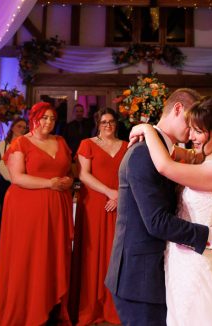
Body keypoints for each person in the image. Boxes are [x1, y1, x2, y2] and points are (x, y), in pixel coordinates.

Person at [105, 88, 212, 326]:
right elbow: (156, 221)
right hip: (140, 279)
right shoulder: (143, 152)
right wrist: (209, 235)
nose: (192, 131)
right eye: (191, 124)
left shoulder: (162, 150)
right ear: (178, 109)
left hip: (156, 274)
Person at [129, 95, 212, 325]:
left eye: (198, 131)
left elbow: (165, 166)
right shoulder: (207, 162)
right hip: (181, 262)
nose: (191, 136)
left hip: (198, 264)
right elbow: (180, 154)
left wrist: (147, 128)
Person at [0, 102, 74, 326]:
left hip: (57, 206)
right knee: (30, 258)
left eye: (52, 118)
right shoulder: (21, 142)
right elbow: (17, 177)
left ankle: (51, 307)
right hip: (27, 208)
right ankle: (30, 310)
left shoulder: (60, 141)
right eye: (44, 118)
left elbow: (69, 171)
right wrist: (50, 183)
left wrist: (69, 181)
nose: (48, 122)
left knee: (53, 256)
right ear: (34, 118)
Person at [70, 107, 127, 325]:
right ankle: (92, 305)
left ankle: (113, 305)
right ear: (98, 124)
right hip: (95, 204)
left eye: (111, 121)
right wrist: (109, 192)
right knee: (93, 253)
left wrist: (119, 195)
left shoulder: (126, 146)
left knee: (115, 252)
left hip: (120, 204)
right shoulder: (87, 144)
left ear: (116, 123)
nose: (108, 125)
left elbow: (131, 175)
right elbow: (83, 174)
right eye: (104, 122)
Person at [0, 117, 28, 207]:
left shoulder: (27, 145)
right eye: (19, 126)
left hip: (22, 182)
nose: (22, 129)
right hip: (7, 182)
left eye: (24, 128)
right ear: (12, 128)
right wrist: (12, 178)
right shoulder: (3, 144)